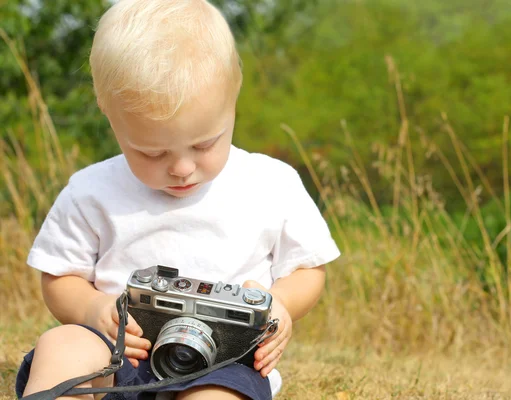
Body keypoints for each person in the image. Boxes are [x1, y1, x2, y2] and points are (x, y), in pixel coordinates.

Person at [15, 0, 340, 399]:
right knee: (62, 344)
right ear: (108, 114)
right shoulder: (90, 190)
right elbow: (59, 276)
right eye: (152, 153)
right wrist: (90, 309)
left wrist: (280, 303)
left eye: (204, 144)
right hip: (118, 354)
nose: (182, 168)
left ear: (234, 98)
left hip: (223, 363)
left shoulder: (272, 183)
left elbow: (309, 267)